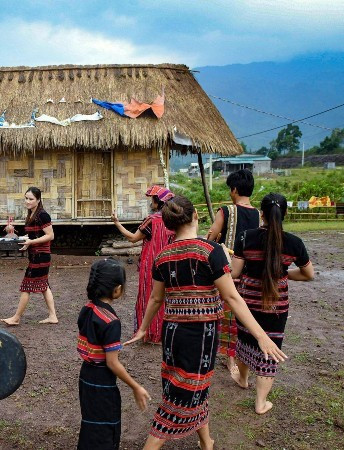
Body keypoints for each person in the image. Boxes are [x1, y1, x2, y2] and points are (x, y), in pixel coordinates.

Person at [126, 195, 287, 450]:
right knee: (182, 394)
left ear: (168, 225)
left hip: (172, 332)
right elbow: (232, 297)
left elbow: (156, 299)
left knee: (190, 385)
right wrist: (261, 335)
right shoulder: (211, 251)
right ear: (195, 216)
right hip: (201, 334)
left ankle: (206, 442)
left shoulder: (163, 255)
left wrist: (144, 328)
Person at [230, 193, 314, 415]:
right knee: (271, 348)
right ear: (285, 213)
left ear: (262, 214)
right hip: (277, 307)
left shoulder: (245, 238)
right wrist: (284, 274)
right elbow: (308, 274)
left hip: (247, 303)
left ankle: (243, 378)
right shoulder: (294, 243)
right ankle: (260, 403)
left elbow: (235, 273)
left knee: (246, 339)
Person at [77, 258, 150, 450]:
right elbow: (112, 363)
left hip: (86, 376)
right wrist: (136, 386)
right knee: (105, 427)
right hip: (102, 381)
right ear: (117, 289)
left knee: (90, 422)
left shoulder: (87, 309)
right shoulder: (110, 321)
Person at [205, 169, 261, 373]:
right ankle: (241, 357)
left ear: (235, 189)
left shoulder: (225, 211)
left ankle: (228, 358)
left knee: (226, 314)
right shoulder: (258, 214)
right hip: (250, 272)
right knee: (245, 314)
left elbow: (209, 238)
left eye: (231, 189)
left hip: (227, 271)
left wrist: (215, 238)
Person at [111, 185, 175, 344]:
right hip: (169, 262)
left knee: (149, 296)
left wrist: (117, 223)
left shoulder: (152, 220)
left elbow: (133, 238)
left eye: (152, 199)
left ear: (157, 201)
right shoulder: (173, 220)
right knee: (167, 297)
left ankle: (149, 333)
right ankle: (163, 333)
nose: (150, 202)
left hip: (151, 264)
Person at [1, 187, 58, 325]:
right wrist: (23, 239)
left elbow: (50, 235)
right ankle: (53, 316)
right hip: (36, 255)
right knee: (44, 286)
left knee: (26, 286)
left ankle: (16, 318)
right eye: (26, 198)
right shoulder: (32, 214)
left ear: (38, 200)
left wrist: (31, 242)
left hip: (40, 256)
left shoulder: (42, 215)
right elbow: (33, 235)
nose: (27, 201)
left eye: (31, 199)